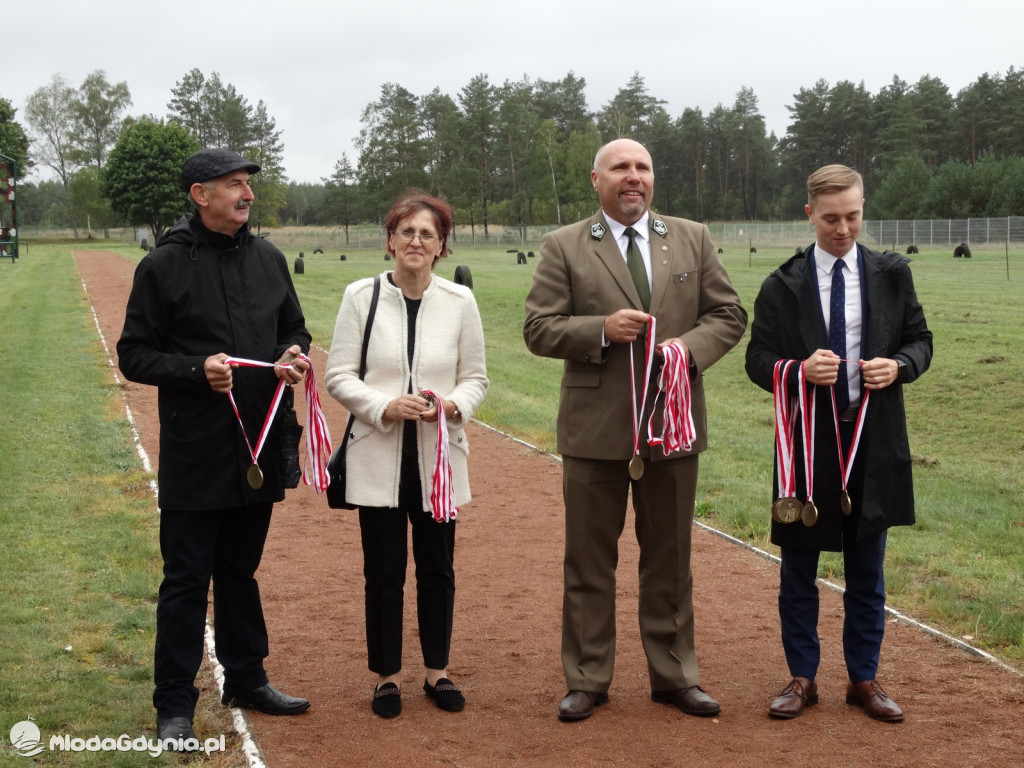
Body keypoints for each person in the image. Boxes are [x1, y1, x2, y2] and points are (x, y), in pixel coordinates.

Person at [524, 138, 747, 722]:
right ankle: (588, 678)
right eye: (620, 168)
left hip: (672, 427)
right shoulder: (564, 245)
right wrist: (601, 328)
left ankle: (675, 675)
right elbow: (538, 329)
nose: (633, 177)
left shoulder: (691, 237)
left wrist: (685, 352)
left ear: (654, 178)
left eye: (642, 168)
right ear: (596, 180)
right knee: (589, 562)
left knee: (670, 558)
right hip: (595, 431)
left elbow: (727, 314)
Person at [117, 148, 313, 747]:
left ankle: (247, 678)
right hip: (196, 451)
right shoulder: (163, 267)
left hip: (258, 441)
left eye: (248, 185)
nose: (247, 195)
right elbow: (134, 354)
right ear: (200, 194)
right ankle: (174, 704)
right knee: (185, 580)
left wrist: (291, 356)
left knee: (240, 572)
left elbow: (294, 328)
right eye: (234, 185)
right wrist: (195, 369)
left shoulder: (270, 258)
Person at [745, 164, 933, 722]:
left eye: (853, 216)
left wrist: (898, 367)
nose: (843, 229)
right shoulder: (782, 285)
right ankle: (802, 677)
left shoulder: (893, 274)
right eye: (830, 219)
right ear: (809, 214)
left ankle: (864, 678)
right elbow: (757, 361)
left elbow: (921, 342)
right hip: (807, 447)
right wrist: (798, 370)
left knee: (867, 570)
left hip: (872, 444)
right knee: (799, 567)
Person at [325, 191, 488, 719]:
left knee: (438, 567)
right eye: (406, 232)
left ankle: (437, 671)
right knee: (384, 570)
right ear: (390, 241)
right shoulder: (360, 296)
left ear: (441, 246)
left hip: (439, 459)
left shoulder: (461, 302)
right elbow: (339, 376)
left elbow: (476, 378)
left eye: (427, 234)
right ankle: (386, 677)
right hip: (379, 457)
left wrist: (453, 406)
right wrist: (383, 405)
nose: (416, 241)